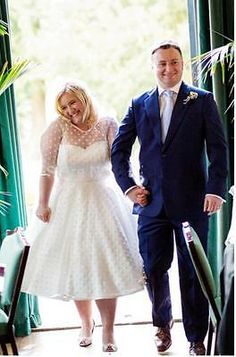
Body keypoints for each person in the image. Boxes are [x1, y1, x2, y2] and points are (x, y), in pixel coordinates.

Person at [111, 40, 228, 355]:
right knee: (153, 267)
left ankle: (196, 338)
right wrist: (129, 187)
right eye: (161, 63)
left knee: (192, 273)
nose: (168, 68)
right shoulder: (139, 104)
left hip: (193, 203)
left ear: (182, 65)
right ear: (153, 67)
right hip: (151, 205)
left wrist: (215, 189)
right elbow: (119, 150)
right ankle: (162, 327)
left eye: (174, 62)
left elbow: (219, 150)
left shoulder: (201, 101)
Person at [22, 82, 144, 353]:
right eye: (64, 106)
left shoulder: (108, 124)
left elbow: (121, 163)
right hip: (69, 203)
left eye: (73, 103)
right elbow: (47, 170)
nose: (69, 110)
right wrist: (42, 203)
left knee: (105, 267)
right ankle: (85, 323)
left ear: (85, 99)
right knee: (78, 265)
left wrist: (133, 189)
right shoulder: (58, 128)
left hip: (103, 201)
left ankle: (109, 330)